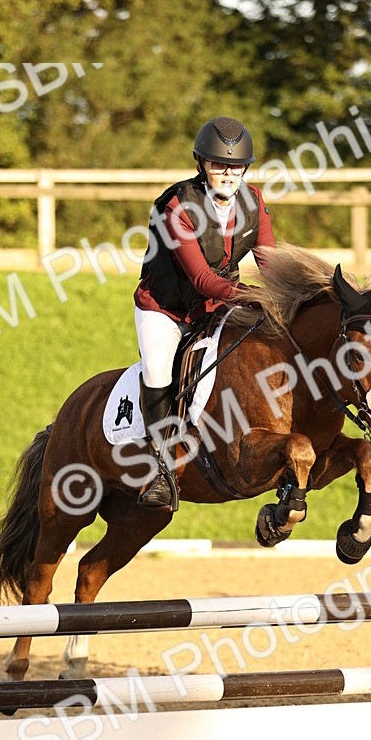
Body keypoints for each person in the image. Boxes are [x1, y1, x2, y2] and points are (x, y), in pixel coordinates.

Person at [133, 115, 276, 509]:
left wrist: (293, 292)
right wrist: (252, 296)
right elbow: (200, 279)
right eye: (218, 164)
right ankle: (160, 471)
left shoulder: (255, 202)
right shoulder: (177, 206)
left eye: (235, 166)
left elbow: (271, 262)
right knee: (159, 367)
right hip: (166, 308)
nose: (227, 173)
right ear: (202, 164)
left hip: (219, 306)